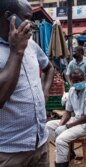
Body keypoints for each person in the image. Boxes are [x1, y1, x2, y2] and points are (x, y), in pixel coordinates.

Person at [0, 0, 54, 167]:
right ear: (9, 17)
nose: (31, 24)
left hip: (40, 144)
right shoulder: (22, 46)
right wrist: (17, 51)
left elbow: (49, 68)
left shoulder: (31, 44)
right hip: (10, 152)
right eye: (27, 18)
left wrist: (44, 93)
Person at [46, 68, 86, 167]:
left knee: (60, 140)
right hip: (77, 120)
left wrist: (66, 126)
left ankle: (62, 161)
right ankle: (68, 151)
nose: (79, 82)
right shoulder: (71, 91)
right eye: (76, 81)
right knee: (48, 126)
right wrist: (61, 125)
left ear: (84, 78)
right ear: (71, 81)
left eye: (81, 79)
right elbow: (67, 112)